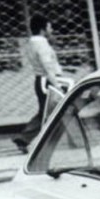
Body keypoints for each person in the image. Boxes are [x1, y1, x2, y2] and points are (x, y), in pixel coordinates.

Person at [12, 13, 65, 153]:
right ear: (43, 29)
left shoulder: (32, 43)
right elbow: (47, 66)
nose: (51, 29)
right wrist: (58, 85)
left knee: (46, 112)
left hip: (42, 80)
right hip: (48, 81)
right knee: (58, 109)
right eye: (49, 27)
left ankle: (24, 138)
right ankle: (48, 141)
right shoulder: (41, 44)